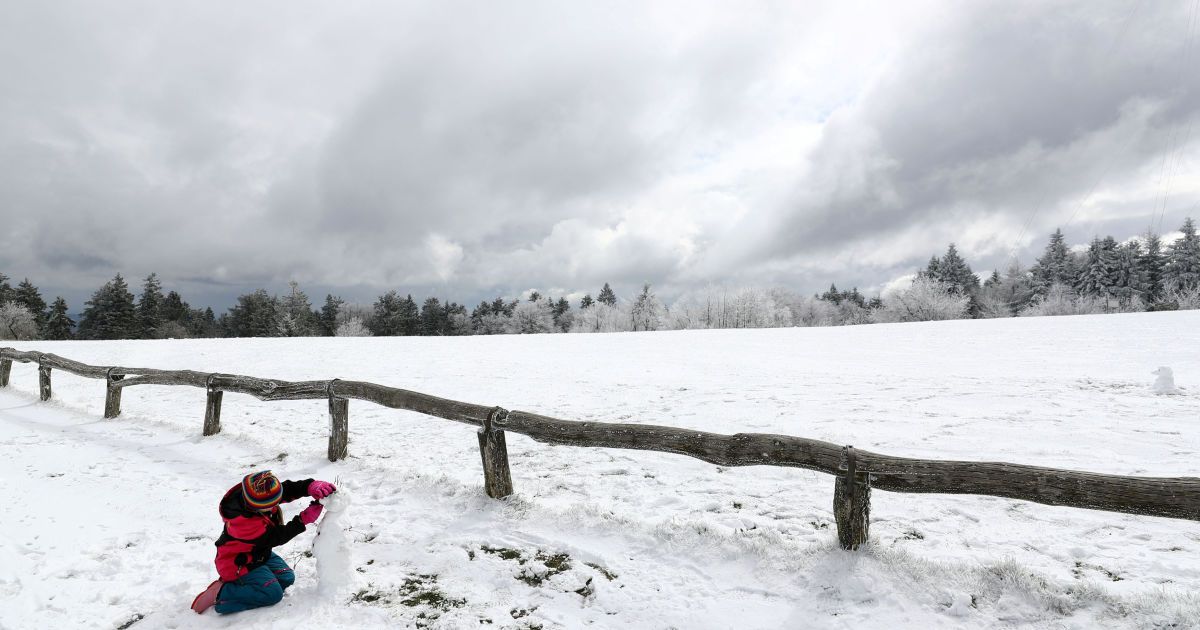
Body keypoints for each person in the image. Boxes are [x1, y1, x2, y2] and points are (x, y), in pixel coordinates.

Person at [202, 470, 337, 614]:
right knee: (273, 594)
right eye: (271, 504)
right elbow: (275, 537)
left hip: (259, 553)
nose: (275, 506)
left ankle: (254, 584)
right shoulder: (242, 524)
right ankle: (224, 594)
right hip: (238, 562)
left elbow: (285, 490)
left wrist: (310, 486)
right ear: (255, 506)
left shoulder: (255, 495)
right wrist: (302, 520)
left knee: (286, 578)